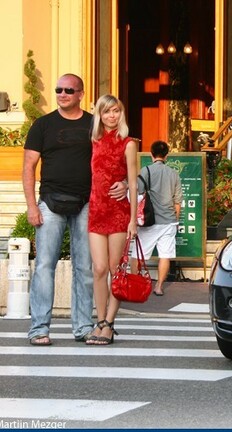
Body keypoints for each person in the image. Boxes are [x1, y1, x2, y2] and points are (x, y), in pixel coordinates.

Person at [23, 74, 127, 346]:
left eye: (69, 90)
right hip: (49, 203)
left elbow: (117, 155)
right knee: (45, 265)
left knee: (85, 267)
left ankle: (83, 326)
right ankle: (39, 329)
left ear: (81, 94)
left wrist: (127, 182)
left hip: (86, 204)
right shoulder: (42, 125)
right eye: (58, 89)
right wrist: (32, 206)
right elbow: (28, 167)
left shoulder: (93, 124)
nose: (62, 93)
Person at [85, 94, 138, 345]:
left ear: (121, 113)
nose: (111, 116)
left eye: (116, 111)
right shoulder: (93, 141)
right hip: (96, 210)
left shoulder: (128, 143)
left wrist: (133, 220)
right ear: (99, 114)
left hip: (118, 211)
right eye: (106, 112)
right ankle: (99, 320)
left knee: (116, 271)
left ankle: (109, 323)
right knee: (98, 269)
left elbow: (134, 183)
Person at [131, 140, 183, 296]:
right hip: (169, 221)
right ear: (166, 155)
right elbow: (178, 201)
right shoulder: (174, 174)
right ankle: (159, 286)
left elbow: (137, 192)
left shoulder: (145, 171)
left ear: (150, 154)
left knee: (137, 255)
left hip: (149, 221)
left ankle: (135, 285)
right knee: (165, 255)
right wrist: (176, 220)